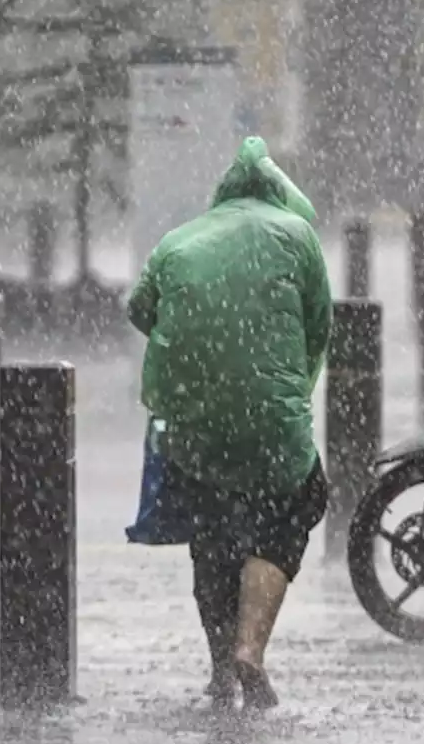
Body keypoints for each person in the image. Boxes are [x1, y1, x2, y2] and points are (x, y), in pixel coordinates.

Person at [126, 136, 332, 712]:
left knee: (211, 533)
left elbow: (141, 310)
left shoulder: (178, 241)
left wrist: (204, 354)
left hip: (194, 420)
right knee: (296, 501)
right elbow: (319, 327)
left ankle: (219, 665)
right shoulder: (298, 237)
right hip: (274, 423)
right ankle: (250, 649)